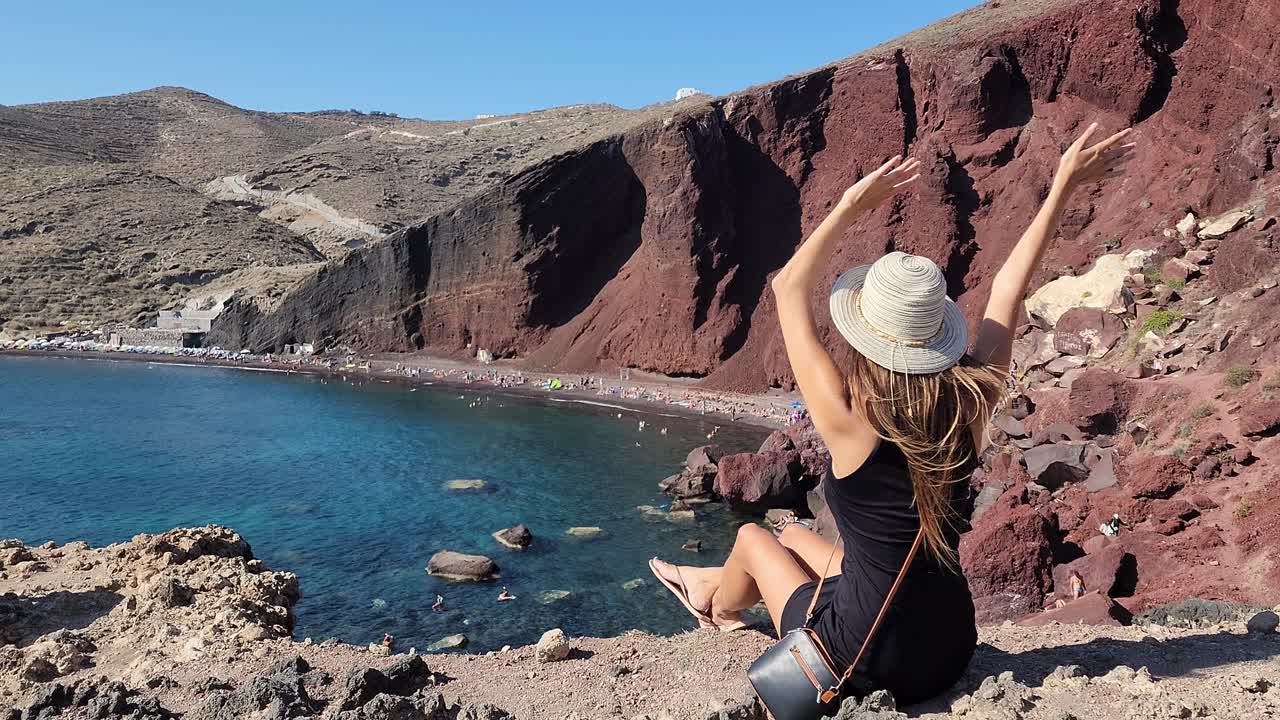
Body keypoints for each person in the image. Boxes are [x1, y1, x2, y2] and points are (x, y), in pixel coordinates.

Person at [650, 123, 1134, 704]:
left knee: (755, 536)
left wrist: (851, 205)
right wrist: (1061, 188)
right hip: (949, 645)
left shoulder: (852, 426)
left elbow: (787, 289)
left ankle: (715, 606)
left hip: (868, 657)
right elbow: (1008, 290)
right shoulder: (970, 403)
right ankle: (711, 582)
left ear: (866, 339)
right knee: (798, 534)